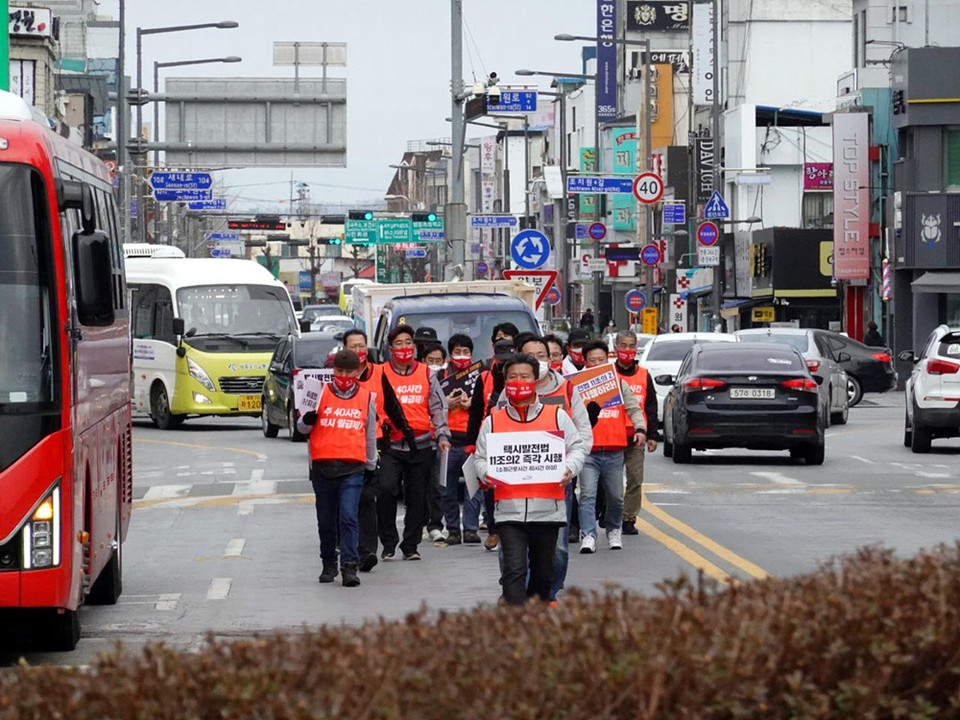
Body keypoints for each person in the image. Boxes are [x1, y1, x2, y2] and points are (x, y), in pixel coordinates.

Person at [474, 353, 586, 606]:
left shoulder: (557, 416)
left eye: (524, 376)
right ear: (504, 383)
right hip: (509, 510)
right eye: (512, 377)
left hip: (547, 510)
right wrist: (485, 473)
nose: (518, 381)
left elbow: (577, 447)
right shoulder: (493, 422)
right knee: (513, 570)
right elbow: (480, 458)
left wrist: (568, 468)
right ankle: (517, 625)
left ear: (535, 381)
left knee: (543, 572)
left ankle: (537, 619)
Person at [300, 349, 378, 588]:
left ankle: (349, 566)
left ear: (357, 371)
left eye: (349, 371)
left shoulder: (366, 397)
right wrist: (307, 421)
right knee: (325, 521)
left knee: (348, 516)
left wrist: (371, 464)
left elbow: (370, 434)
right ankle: (328, 563)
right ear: (333, 371)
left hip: (352, 467)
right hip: (322, 468)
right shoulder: (318, 393)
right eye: (339, 371)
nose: (344, 375)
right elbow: (301, 428)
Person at [342, 329, 417, 573]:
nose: (358, 351)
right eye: (353, 346)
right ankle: (347, 546)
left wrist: (407, 434)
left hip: (377, 444)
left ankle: (370, 550)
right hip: (345, 447)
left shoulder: (379, 373)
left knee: (373, 495)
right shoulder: (336, 380)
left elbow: (393, 406)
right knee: (350, 500)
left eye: (362, 346)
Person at [379, 324, 451, 561]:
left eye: (408, 342)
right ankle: (388, 542)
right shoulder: (381, 373)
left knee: (417, 498)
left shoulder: (426, 373)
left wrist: (442, 436)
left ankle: (410, 546)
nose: (404, 347)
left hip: (421, 445)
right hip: (391, 445)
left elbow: (438, 406)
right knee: (387, 490)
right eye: (399, 343)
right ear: (391, 349)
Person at [575, 341, 646, 552]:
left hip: (615, 451)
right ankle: (588, 534)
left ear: (608, 360)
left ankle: (614, 529)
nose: (597, 364)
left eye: (601, 360)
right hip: (588, 452)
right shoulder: (576, 385)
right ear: (584, 362)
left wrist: (640, 429)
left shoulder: (618, 383)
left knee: (616, 497)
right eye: (592, 361)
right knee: (587, 495)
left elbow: (634, 409)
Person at [438, 334, 485, 545]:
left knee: (473, 488)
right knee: (446, 488)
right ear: (450, 353)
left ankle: (471, 529)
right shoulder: (440, 377)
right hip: (447, 441)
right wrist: (446, 402)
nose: (462, 356)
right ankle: (453, 530)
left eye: (466, 352)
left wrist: (471, 405)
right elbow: (430, 407)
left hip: (471, 440)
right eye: (457, 351)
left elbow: (486, 406)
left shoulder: (480, 376)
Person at [612, 330, 660, 535]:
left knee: (635, 479)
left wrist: (652, 435)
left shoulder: (643, 374)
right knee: (610, 484)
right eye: (623, 346)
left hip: (636, 436)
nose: (628, 350)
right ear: (615, 349)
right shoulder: (608, 374)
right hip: (611, 436)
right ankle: (609, 514)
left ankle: (628, 518)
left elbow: (650, 405)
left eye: (631, 346)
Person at [420, 341, 450, 542]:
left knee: (437, 485)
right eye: (430, 361)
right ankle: (419, 522)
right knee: (416, 486)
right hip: (418, 440)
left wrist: (442, 434)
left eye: (438, 361)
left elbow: (440, 408)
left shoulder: (450, 379)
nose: (434, 364)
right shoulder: (418, 378)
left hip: (439, 439)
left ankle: (435, 524)